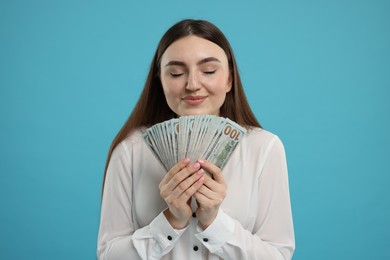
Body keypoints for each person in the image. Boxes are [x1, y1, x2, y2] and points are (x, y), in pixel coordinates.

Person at [97, 19, 295, 259]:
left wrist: (214, 221)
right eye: (176, 73)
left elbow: (278, 255)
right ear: (160, 81)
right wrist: (171, 221)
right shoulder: (130, 150)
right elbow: (108, 255)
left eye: (209, 71)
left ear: (229, 80)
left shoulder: (265, 148)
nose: (192, 84)